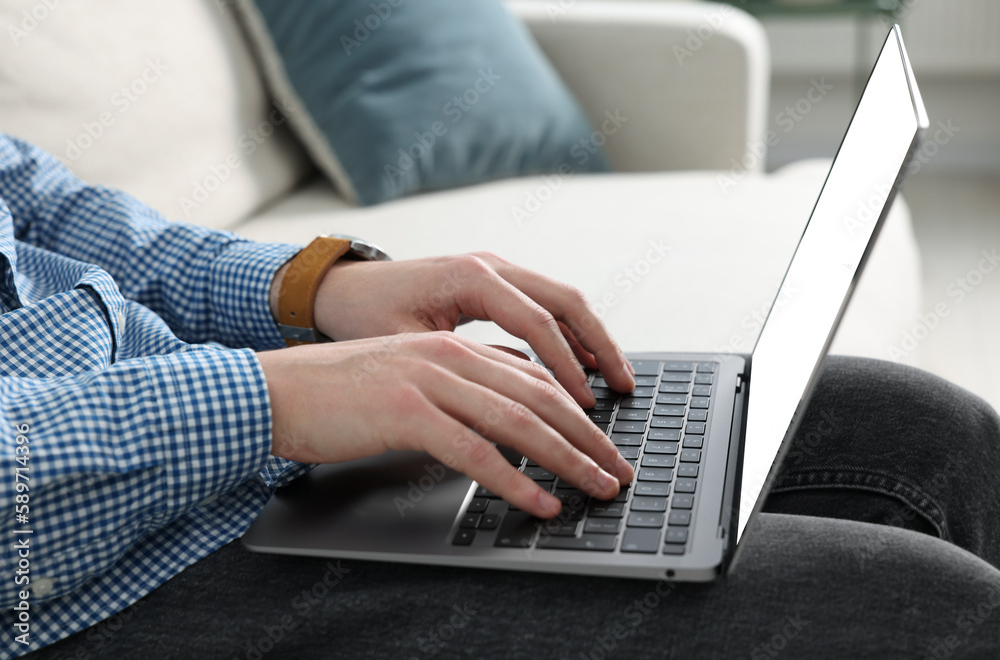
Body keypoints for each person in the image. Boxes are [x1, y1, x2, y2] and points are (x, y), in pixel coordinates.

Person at [3, 132, 999, 660]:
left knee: (924, 433)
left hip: (225, 446)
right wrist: (268, 397)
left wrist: (315, 289)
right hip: (91, 587)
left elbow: (43, 207)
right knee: (939, 612)